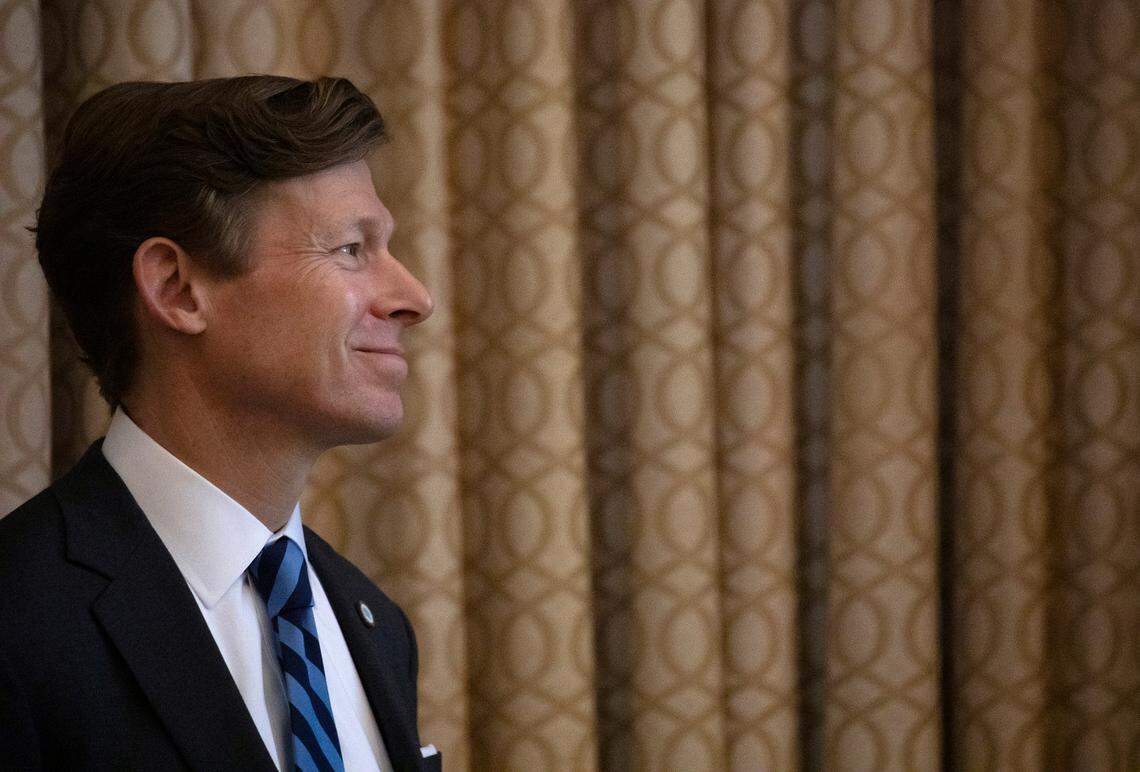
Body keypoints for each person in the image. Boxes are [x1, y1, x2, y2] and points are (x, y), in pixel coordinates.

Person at [0, 76, 439, 771]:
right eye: (351, 249)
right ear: (177, 289)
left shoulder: (374, 622)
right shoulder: (19, 617)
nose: (415, 298)